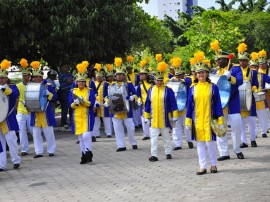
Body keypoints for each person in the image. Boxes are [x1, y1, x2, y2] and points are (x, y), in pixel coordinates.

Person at [185, 54, 224, 175]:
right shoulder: (192, 88)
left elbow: (218, 104)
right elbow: (189, 104)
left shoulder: (213, 87)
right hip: (197, 120)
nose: (201, 75)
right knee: (200, 144)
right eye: (199, 73)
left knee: (210, 143)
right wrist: (187, 120)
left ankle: (213, 165)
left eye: (203, 72)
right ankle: (202, 166)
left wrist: (220, 119)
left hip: (210, 119)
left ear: (207, 74)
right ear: (195, 75)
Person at [210, 40, 244, 161]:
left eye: (219, 60)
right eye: (217, 60)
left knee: (237, 126)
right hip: (219, 105)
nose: (217, 62)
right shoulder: (214, 72)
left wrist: (230, 77)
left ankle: (237, 149)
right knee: (220, 128)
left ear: (226, 60)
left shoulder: (235, 69)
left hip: (232, 102)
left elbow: (239, 81)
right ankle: (224, 152)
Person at [144, 61, 178, 162]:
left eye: (160, 80)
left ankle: (168, 153)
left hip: (165, 118)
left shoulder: (168, 90)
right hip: (154, 119)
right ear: (154, 80)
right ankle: (154, 155)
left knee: (166, 137)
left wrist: (175, 114)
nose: (158, 82)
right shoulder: (151, 90)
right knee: (153, 138)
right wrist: (146, 116)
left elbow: (173, 103)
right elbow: (147, 103)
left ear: (163, 80)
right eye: (156, 80)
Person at [106, 57, 138, 152]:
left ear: (124, 75)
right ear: (115, 76)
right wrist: (106, 101)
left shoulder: (128, 84)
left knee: (130, 127)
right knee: (117, 128)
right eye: (118, 75)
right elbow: (107, 96)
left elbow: (136, 94)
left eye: (121, 75)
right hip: (115, 110)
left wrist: (132, 97)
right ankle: (121, 145)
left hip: (127, 110)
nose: (119, 77)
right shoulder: (111, 85)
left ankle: (133, 142)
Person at [69, 62, 95, 164]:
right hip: (76, 117)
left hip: (87, 115)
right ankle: (83, 155)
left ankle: (89, 153)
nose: (81, 83)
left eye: (83, 81)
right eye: (79, 81)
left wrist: (84, 102)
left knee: (86, 136)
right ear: (76, 82)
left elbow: (92, 103)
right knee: (80, 137)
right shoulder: (72, 91)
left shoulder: (90, 91)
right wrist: (74, 104)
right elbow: (69, 104)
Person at [30, 61, 57, 158]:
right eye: (34, 77)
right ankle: (38, 152)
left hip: (46, 112)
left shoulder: (48, 85)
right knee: (36, 133)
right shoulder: (30, 86)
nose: (36, 78)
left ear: (41, 77)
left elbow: (55, 98)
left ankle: (51, 150)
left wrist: (48, 94)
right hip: (35, 113)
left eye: (37, 77)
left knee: (49, 132)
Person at [236, 44, 258, 148]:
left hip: (250, 98)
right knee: (240, 122)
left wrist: (253, 88)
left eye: (244, 60)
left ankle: (253, 139)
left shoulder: (253, 73)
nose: (242, 62)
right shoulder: (235, 71)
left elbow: (256, 84)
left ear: (247, 61)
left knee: (251, 121)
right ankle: (244, 141)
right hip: (238, 98)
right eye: (240, 60)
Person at [0, 59, 21, 171]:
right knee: (0, 143)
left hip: (9, 119)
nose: (1, 80)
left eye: (3, 78)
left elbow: (15, 95)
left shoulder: (12, 87)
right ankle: (2, 165)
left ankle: (16, 160)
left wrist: (5, 89)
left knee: (11, 140)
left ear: (7, 78)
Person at [170, 57, 193, 149]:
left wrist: (181, 80)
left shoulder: (187, 80)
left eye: (180, 75)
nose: (178, 76)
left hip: (185, 107)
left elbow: (189, 82)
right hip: (175, 108)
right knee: (176, 127)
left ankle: (189, 140)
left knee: (187, 126)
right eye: (177, 75)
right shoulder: (171, 81)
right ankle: (177, 144)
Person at [16, 58, 33, 156]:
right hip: (21, 111)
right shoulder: (18, 86)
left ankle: (39, 147)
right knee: (21, 130)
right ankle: (24, 149)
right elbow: (16, 98)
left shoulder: (33, 85)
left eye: (26, 75)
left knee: (32, 130)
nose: (24, 76)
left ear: (29, 76)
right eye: (23, 75)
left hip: (31, 111)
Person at [92, 64, 112, 138]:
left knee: (106, 118)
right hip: (96, 104)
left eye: (100, 77)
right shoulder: (93, 84)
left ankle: (108, 133)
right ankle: (96, 133)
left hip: (104, 104)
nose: (98, 78)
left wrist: (107, 101)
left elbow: (109, 94)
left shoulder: (106, 84)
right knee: (96, 119)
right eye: (97, 77)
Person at [137, 60, 152, 140]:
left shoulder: (151, 84)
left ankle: (152, 133)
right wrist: (138, 99)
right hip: (143, 104)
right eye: (140, 74)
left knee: (151, 118)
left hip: (151, 102)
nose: (141, 76)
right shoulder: (140, 85)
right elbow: (138, 94)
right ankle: (146, 134)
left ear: (146, 75)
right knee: (143, 119)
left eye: (143, 74)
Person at [59, 64, 73, 128]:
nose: (66, 68)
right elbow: (69, 81)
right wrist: (71, 80)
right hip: (64, 92)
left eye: (67, 67)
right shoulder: (61, 75)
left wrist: (71, 80)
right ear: (61, 68)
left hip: (70, 92)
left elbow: (72, 80)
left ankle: (71, 121)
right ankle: (63, 122)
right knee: (65, 108)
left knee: (71, 107)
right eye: (65, 67)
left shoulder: (69, 74)